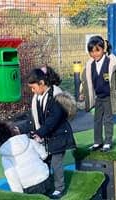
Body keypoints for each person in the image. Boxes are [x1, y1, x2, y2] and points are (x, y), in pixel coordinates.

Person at [28, 67, 77, 199]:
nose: (32, 91)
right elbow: (35, 118)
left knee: (56, 162)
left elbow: (53, 119)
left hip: (59, 136)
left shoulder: (56, 96)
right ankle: (48, 185)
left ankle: (59, 188)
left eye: (33, 88)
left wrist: (40, 132)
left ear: (42, 83)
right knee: (46, 162)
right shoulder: (38, 98)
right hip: (49, 137)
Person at [79, 35, 116, 152]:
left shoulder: (112, 64)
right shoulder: (90, 65)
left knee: (108, 119)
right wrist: (83, 92)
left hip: (109, 97)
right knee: (97, 120)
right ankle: (97, 142)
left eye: (97, 50)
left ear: (103, 49)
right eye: (91, 51)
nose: (94, 54)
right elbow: (86, 81)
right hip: (98, 97)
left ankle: (108, 142)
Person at [0, 121, 51, 195]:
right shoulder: (29, 141)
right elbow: (44, 155)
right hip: (45, 179)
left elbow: (11, 175)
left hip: (28, 187)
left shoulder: (5, 155)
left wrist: (19, 194)